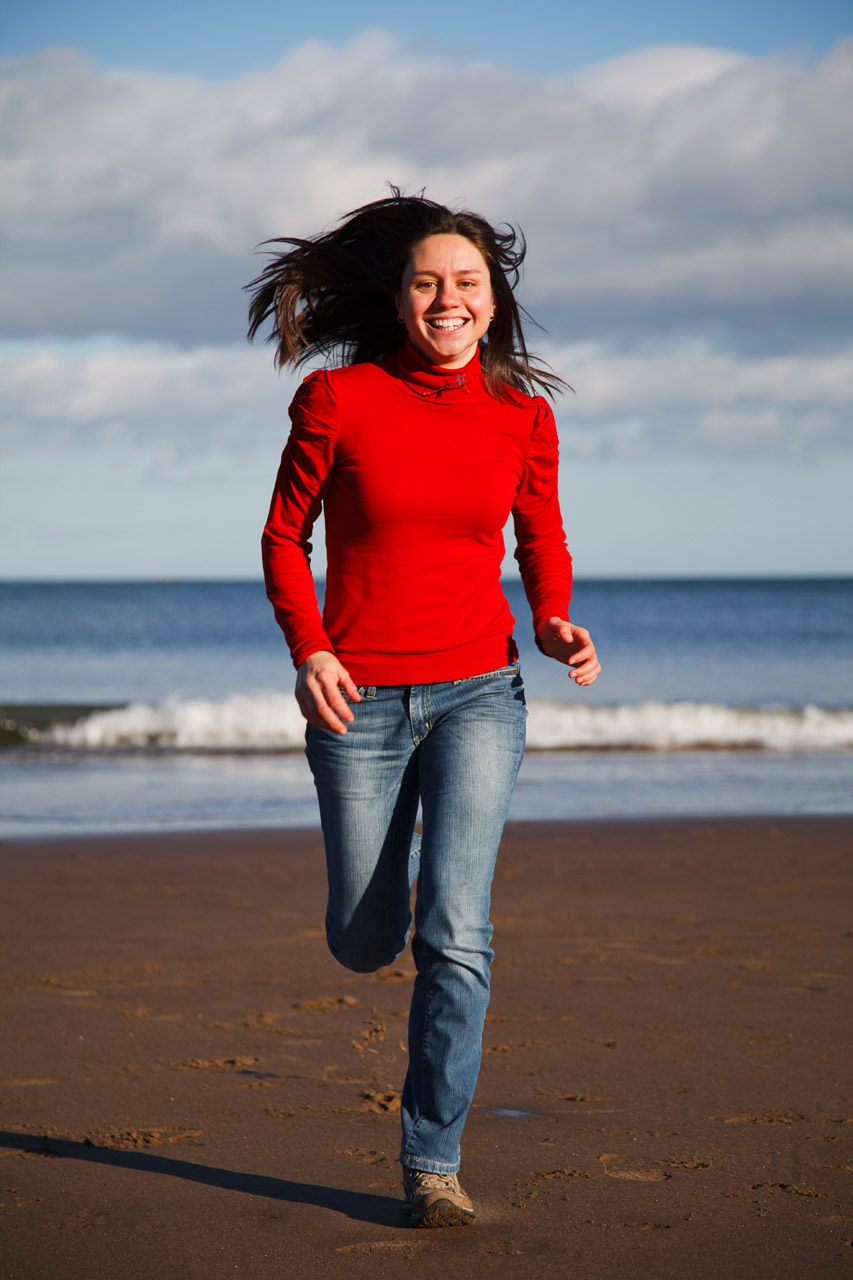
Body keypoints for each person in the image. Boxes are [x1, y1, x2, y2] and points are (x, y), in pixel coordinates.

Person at [247, 189, 600, 1228]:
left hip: (480, 691)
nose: (448, 299)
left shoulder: (524, 418)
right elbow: (282, 537)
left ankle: (431, 1162)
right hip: (356, 697)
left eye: (468, 284)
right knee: (364, 939)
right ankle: (376, 905)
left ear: (493, 304)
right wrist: (308, 646)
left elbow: (539, 536)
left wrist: (552, 618)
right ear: (400, 297)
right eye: (428, 281)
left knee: (455, 929)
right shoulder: (337, 400)